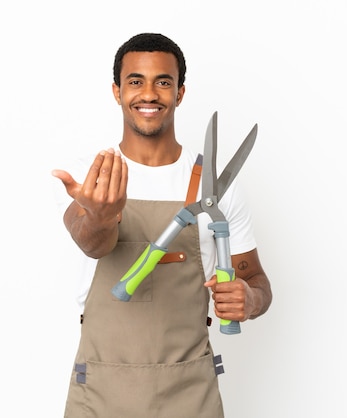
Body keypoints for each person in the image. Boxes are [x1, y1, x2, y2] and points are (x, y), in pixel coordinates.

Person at [51, 32, 272, 418]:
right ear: (117, 91)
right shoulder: (91, 177)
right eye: (135, 81)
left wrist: (249, 300)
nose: (149, 94)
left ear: (180, 93)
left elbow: (256, 281)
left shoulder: (218, 187)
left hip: (190, 394)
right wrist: (101, 216)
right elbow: (92, 243)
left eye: (163, 82)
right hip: (101, 392)